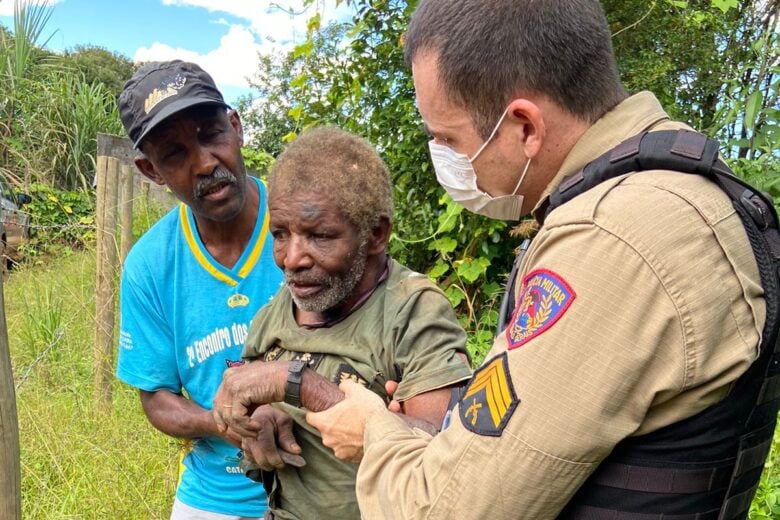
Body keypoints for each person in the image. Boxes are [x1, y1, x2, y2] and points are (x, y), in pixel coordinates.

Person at [217, 1, 780, 518]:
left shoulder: (611, 241)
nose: (449, 163)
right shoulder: (684, 191)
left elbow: (448, 508)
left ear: (524, 127)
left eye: (449, 141)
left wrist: (372, 429)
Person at [213, 127, 473, 520]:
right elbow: (245, 396)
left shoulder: (411, 311)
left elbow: (445, 458)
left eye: (319, 236)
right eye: (280, 234)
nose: (292, 258)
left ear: (376, 234)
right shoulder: (277, 311)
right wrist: (256, 423)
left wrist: (298, 383)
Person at [115, 60, 285, 520]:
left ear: (236, 127)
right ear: (150, 170)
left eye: (211, 134)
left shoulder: (305, 224)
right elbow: (156, 398)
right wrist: (222, 422)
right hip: (216, 498)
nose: (205, 162)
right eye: (175, 154)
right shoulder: (150, 265)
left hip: (327, 485)